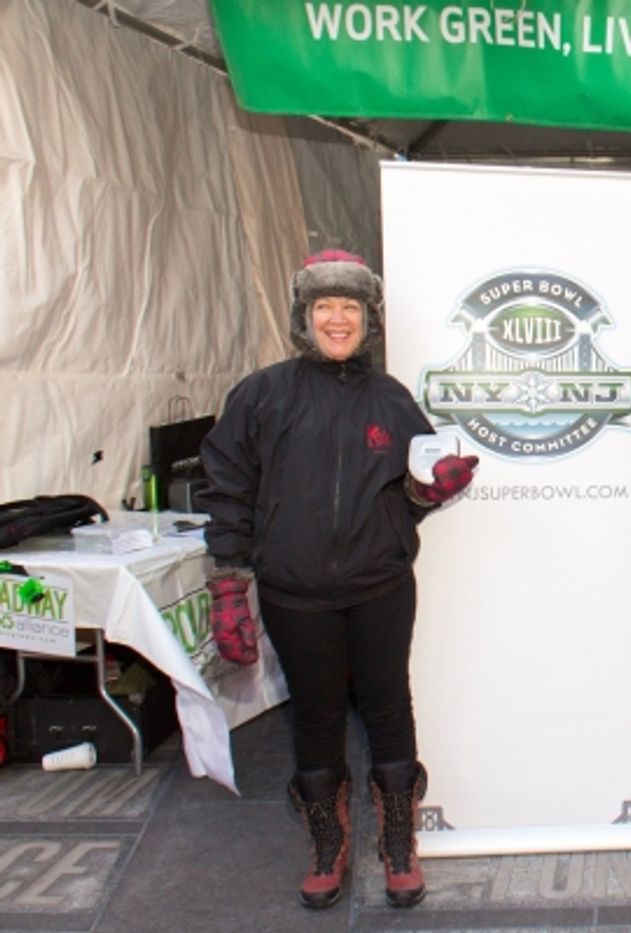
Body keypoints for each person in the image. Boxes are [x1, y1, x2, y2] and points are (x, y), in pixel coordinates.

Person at [195, 249, 477, 911]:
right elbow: (227, 487)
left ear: (368, 318)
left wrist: (431, 489)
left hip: (380, 584)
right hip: (295, 593)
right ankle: (329, 841)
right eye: (324, 306)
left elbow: (409, 494)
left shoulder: (391, 398)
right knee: (317, 715)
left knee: (387, 705)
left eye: (350, 306)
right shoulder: (262, 394)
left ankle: (400, 842)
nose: (337, 318)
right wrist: (228, 582)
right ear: (304, 316)